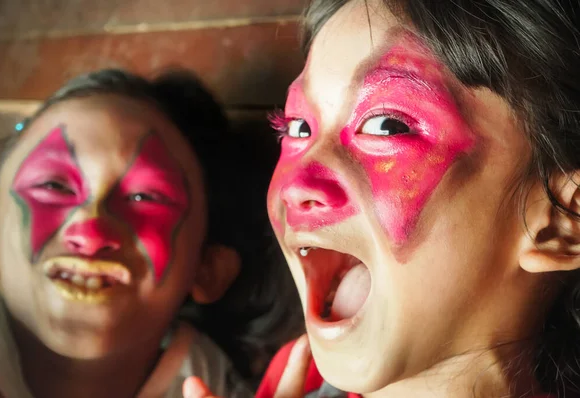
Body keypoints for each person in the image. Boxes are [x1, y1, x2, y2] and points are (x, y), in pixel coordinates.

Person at [185, 0, 580, 396]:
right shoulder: (293, 380)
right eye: (298, 128)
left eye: (387, 125)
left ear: (564, 221)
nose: (294, 184)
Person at [0, 68, 301, 398]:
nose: (91, 231)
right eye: (53, 186)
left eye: (144, 197)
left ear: (205, 268)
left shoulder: (208, 379)